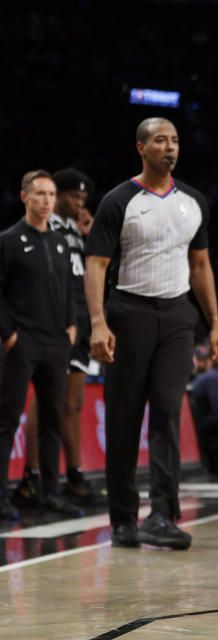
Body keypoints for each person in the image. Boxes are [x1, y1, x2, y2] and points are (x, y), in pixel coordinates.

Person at [85, 117, 218, 549]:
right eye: (161, 140)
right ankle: (123, 520)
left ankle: (163, 516)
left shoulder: (193, 202)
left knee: (167, 411)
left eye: (176, 141)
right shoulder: (118, 200)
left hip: (178, 317)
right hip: (129, 311)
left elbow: (201, 266)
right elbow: (96, 265)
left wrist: (215, 325)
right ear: (141, 148)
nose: (171, 147)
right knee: (125, 418)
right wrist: (97, 321)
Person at [16, 168, 101, 510]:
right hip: (55, 323)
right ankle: (31, 476)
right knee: (46, 402)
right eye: (73, 197)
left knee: (72, 405)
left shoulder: (82, 232)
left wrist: (91, 235)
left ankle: (75, 476)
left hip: (81, 322)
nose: (79, 203)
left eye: (83, 198)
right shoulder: (46, 225)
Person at [0, 170, 78, 520]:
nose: (47, 200)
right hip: (23, 343)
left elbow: (68, 290)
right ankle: (2, 497)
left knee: (51, 421)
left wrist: (72, 326)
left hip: (55, 343)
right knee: (7, 421)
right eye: (39, 194)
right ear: (24, 198)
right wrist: (9, 335)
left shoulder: (60, 242)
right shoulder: (9, 240)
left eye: (50, 194)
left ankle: (50, 492)